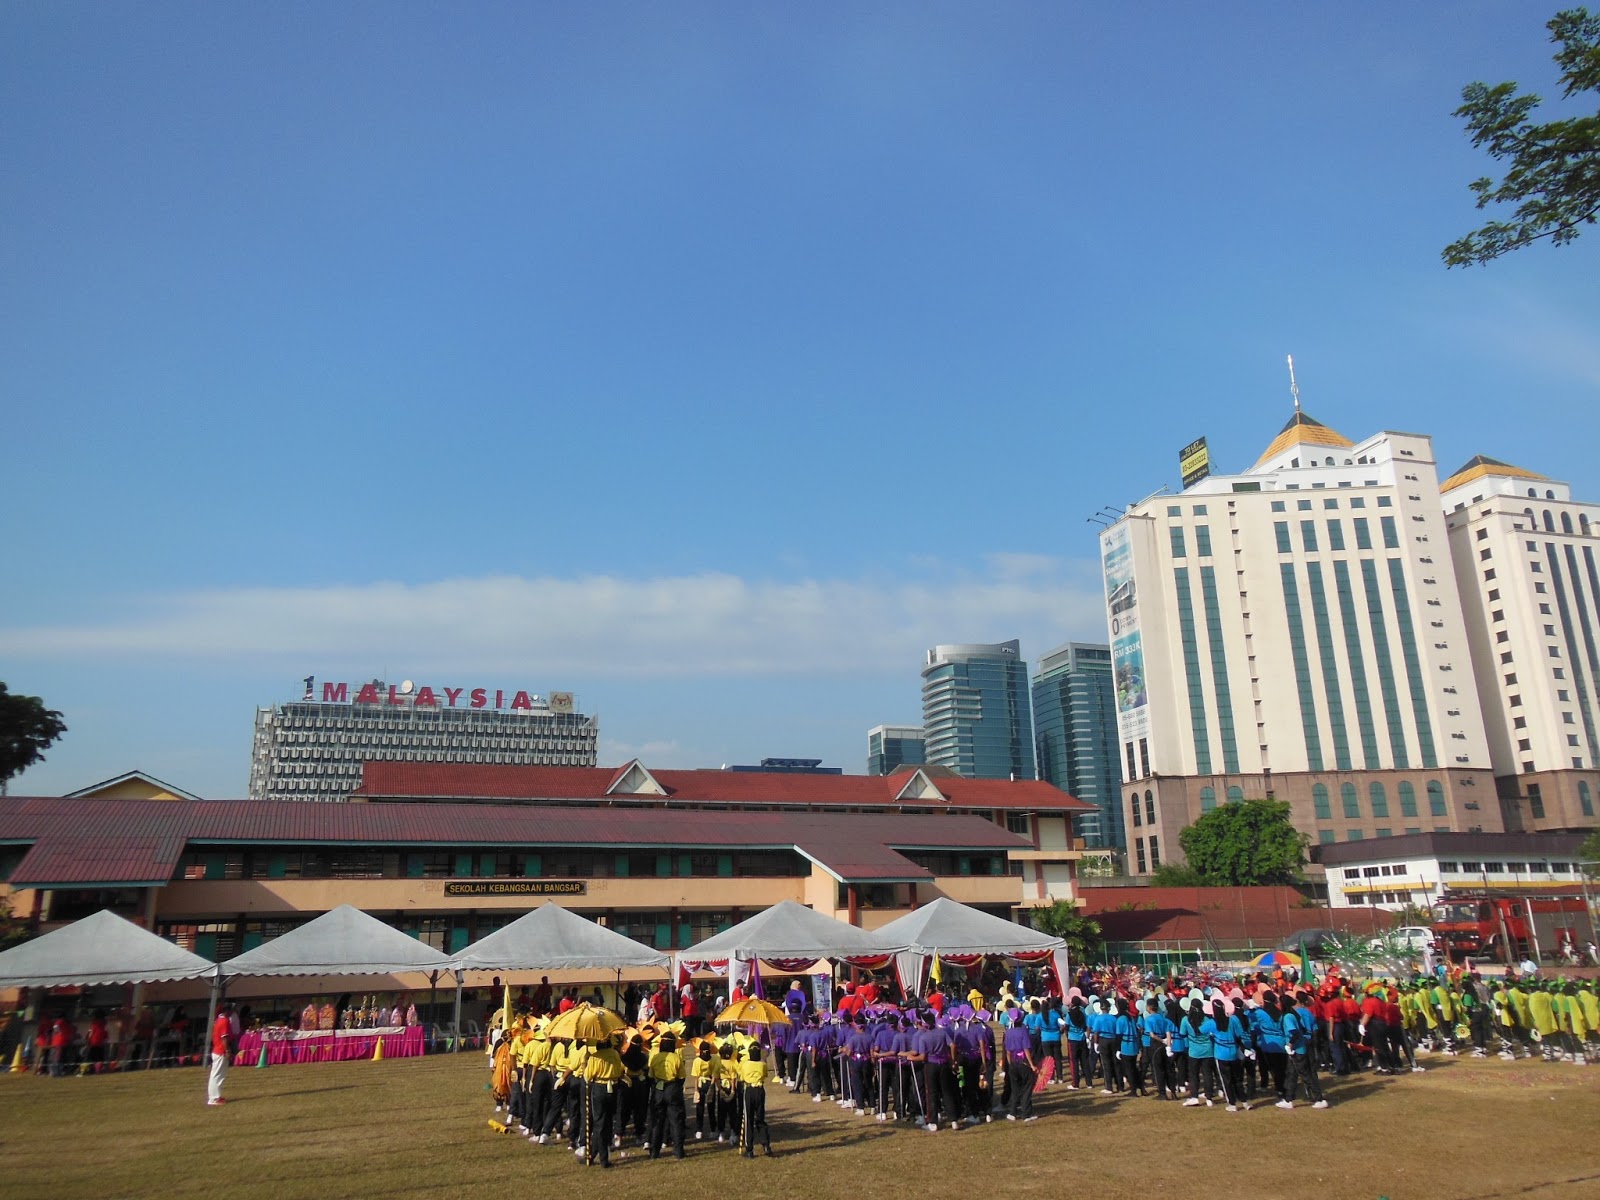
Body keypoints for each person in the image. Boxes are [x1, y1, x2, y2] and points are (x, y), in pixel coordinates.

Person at [1002, 1011, 1039, 1122]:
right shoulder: (1023, 1031)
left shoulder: (1008, 1032)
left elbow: (1007, 1051)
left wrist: (1010, 1064)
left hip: (1013, 1063)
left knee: (1015, 1088)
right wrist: (1032, 1065)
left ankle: (1013, 1112)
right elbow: (1026, 1049)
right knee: (1027, 1087)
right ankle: (1026, 1113)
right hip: (1023, 1062)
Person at [207, 1003, 235, 1106]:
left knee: (220, 1075)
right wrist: (227, 1051)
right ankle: (213, 1098)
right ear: (227, 1011)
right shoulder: (224, 1021)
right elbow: (224, 1038)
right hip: (220, 1051)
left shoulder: (219, 1020)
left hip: (217, 1050)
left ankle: (216, 1096)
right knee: (217, 1075)